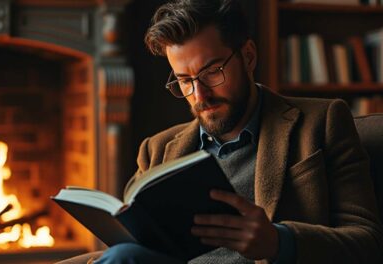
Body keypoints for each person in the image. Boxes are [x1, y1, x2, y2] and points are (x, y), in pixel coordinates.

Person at [59, 0, 383, 263]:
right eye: (184, 81)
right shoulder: (156, 149)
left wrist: (278, 241)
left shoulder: (322, 122)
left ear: (248, 56)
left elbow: (366, 242)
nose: (199, 95)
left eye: (211, 72)